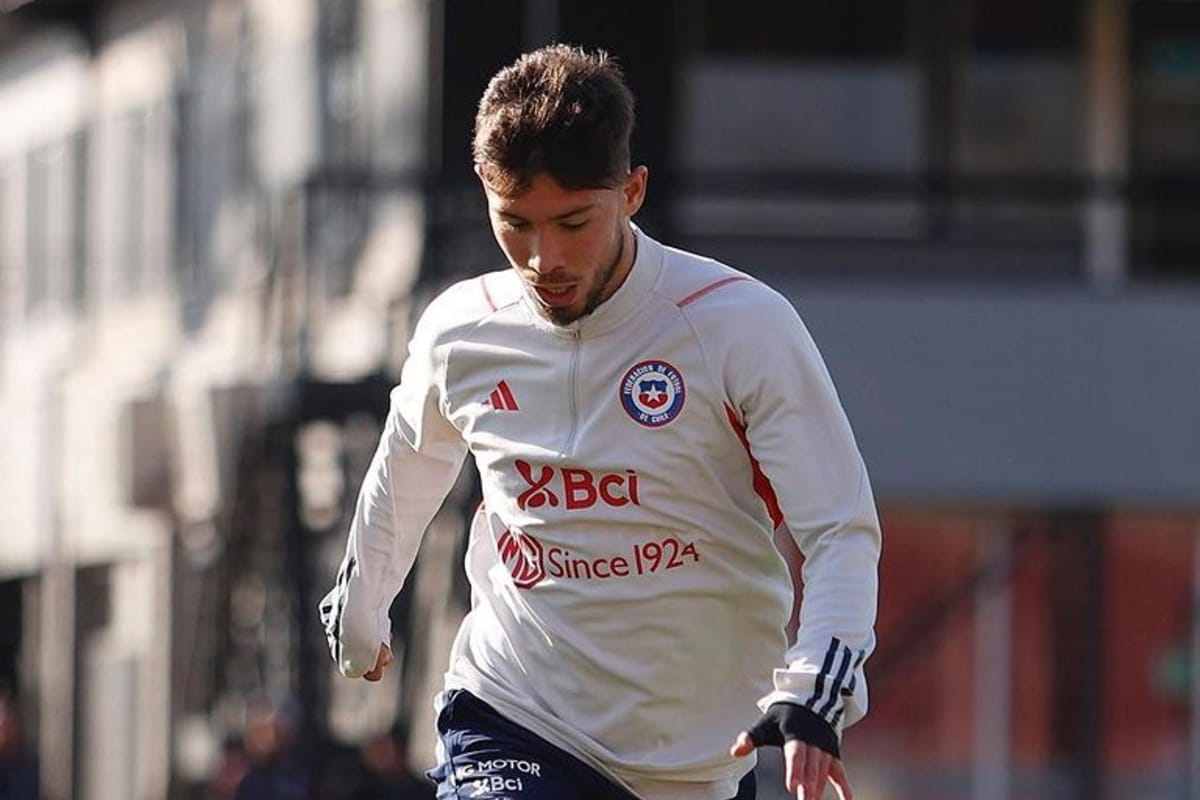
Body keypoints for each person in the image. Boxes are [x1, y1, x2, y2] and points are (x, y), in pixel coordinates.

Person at [320, 44, 880, 800]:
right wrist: (362, 605)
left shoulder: (740, 326)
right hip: (515, 712)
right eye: (514, 222)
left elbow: (839, 527)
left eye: (573, 222)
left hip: (698, 761)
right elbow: (408, 463)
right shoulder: (462, 329)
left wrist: (819, 683)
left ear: (633, 191)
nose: (542, 257)